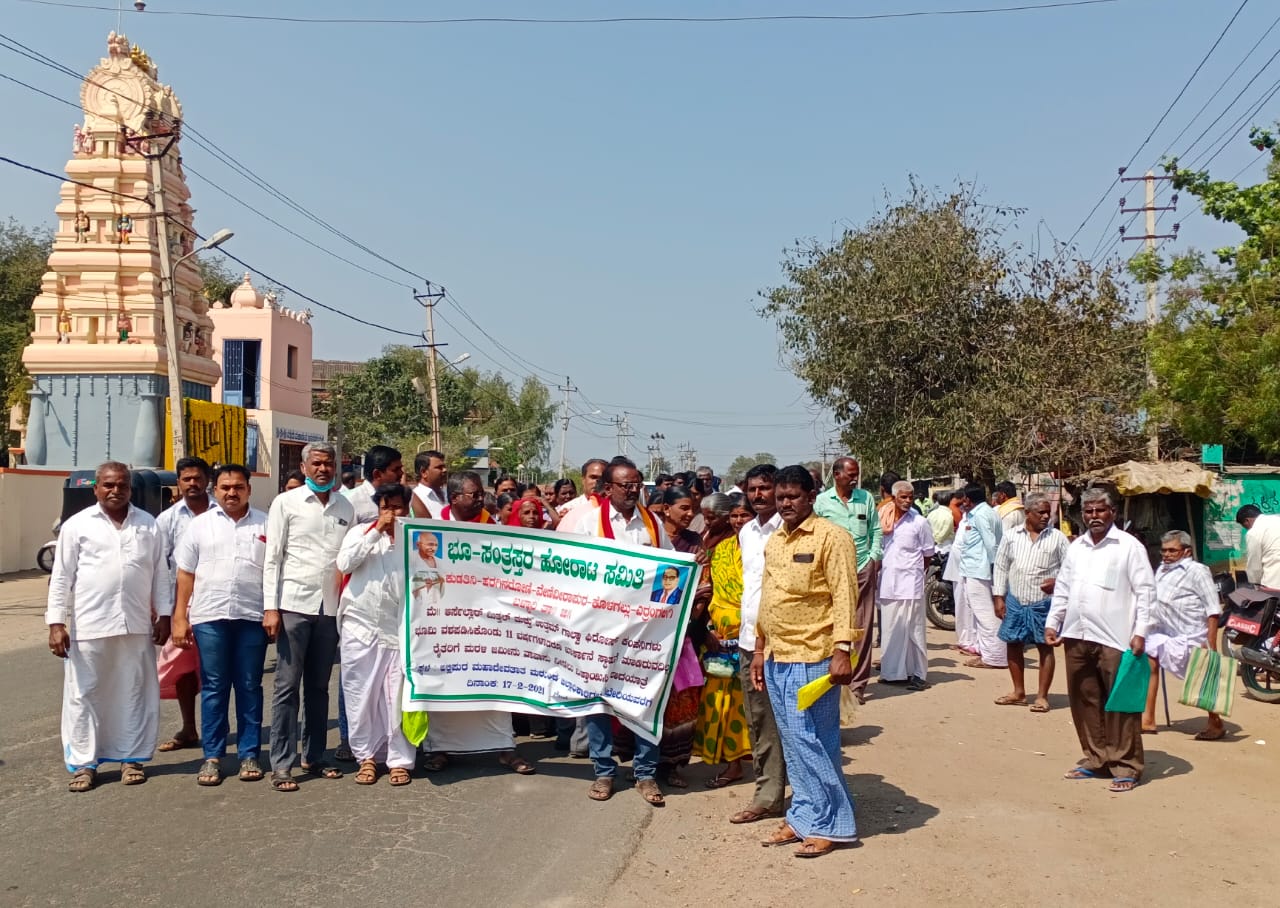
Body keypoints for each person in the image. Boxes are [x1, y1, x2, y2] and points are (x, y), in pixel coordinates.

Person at [755, 465, 859, 858]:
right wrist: (760, 649)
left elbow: (845, 596)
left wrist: (842, 650)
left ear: (811, 496)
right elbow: (767, 598)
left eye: (792, 497)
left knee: (814, 740)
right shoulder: (775, 540)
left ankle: (832, 822)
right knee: (794, 743)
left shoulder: (833, 538)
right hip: (778, 654)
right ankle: (802, 816)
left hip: (815, 655)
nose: (785, 504)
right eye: (780, 497)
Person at [46, 462, 167, 791]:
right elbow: (61, 579)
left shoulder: (148, 525)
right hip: (90, 626)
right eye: (109, 485)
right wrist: (56, 623)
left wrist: (166, 616)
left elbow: (161, 576)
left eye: (123, 485)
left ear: (131, 488)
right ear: (96, 489)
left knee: (135, 692)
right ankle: (85, 763)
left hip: (137, 624)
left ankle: (132, 758)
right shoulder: (77, 526)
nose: (116, 491)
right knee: (85, 695)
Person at [422, 471, 535, 775]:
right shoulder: (432, 524)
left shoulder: (492, 527)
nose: (480, 499)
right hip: (446, 621)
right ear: (455, 497)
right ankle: (439, 749)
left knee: (495, 685)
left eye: (481, 494)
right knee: (445, 684)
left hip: (487, 622)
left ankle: (504, 748)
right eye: (474, 495)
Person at [574, 458, 671, 805]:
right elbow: (575, 573)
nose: (632, 491)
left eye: (637, 485)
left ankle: (646, 773)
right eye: (625, 485)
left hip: (645, 631)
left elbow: (670, 569)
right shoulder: (588, 524)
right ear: (608, 489)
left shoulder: (653, 523)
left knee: (645, 697)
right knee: (599, 700)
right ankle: (604, 770)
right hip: (601, 629)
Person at [1047, 488, 1154, 793]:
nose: (1094, 516)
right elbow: (1064, 588)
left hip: (1115, 637)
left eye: (1100, 511)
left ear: (1113, 513)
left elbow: (1146, 591)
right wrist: (1053, 622)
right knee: (1084, 700)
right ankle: (1097, 759)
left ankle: (1127, 766)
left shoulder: (1128, 547)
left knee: (1119, 702)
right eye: (1089, 511)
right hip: (1077, 634)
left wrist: (1141, 631)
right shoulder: (1077, 547)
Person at [169, 464, 269, 786]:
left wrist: (272, 611)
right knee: (214, 687)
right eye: (225, 487)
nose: (231, 492)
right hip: (209, 617)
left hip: (251, 616)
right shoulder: (199, 526)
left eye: (238, 487)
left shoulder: (266, 523)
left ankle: (249, 753)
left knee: (249, 686)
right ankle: (212, 756)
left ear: (249, 490)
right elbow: (185, 573)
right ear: (216, 490)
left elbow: (274, 571)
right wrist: (179, 617)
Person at [263, 441, 355, 792]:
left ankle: (314, 756)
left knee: (318, 687)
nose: (323, 469)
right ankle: (282, 763)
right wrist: (271, 608)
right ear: (304, 468)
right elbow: (273, 558)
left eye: (328, 464)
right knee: (286, 686)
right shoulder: (285, 503)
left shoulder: (344, 506)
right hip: (293, 606)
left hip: (330, 608)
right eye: (316, 464)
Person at [337, 483, 417, 786]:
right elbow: (344, 564)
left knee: (397, 696)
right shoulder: (360, 533)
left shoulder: (417, 539)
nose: (391, 513)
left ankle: (399, 760)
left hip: (401, 626)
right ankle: (367, 757)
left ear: (406, 508)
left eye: (397, 507)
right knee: (361, 694)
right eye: (385, 507)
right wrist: (376, 532)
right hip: (361, 624)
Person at [729, 463, 787, 825]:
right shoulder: (747, 532)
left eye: (765, 488)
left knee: (795, 721)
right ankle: (768, 795)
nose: (758, 495)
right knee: (760, 720)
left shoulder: (792, 529)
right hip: (750, 639)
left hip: (788, 641)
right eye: (752, 489)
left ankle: (806, 796)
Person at [153, 455, 212, 755]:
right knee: (183, 666)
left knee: (219, 668)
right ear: (178, 482)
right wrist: (165, 613)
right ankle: (189, 728)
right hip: (183, 604)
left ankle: (222, 734)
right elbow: (161, 568)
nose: (192, 483)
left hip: (219, 602)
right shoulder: (168, 520)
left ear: (207, 480)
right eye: (186, 478)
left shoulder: (223, 512)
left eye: (197, 478)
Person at [1142, 531, 1226, 740]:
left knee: (1203, 678)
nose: (1166, 554)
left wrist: (1212, 643)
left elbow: (1212, 609)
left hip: (1193, 635)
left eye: (1172, 550)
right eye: (1164, 550)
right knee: (1149, 663)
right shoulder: (1161, 569)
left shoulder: (1198, 571)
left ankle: (1215, 722)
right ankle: (1148, 719)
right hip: (1165, 633)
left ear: (1186, 551)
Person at [992, 493, 1069, 713]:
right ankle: (1018, 691)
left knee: (1045, 647)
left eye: (1048, 512)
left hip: (1044, 603)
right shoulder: (1011, 536)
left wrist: (1058, 582)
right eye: (1041, 512)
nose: (1046, 516)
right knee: (1013, 643)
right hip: (1016, 599)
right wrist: (999, 597)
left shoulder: (1057, 538)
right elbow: (1001, 566)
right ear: (1027, 513)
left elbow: (1071, 568)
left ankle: (1042, 696)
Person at [813, 456, 882, 705]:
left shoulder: (866, 498)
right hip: (831, 574)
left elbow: (876, 530)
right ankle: (832, 682)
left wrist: (874, 558)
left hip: (862, 569)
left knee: (861, 629)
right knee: (833, 627)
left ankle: (858, 685)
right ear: (837, 475)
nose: (855, 478)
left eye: (857, 474)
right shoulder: (821, 502)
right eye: (850, 474)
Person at [695, 493, 752, 788]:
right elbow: (709, 588)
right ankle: (732, 764)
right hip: (721, 637)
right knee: (723, 703)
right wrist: (708, 628)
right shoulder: (720, 550)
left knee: (751, 704)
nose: (739, 521)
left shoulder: (766, 548)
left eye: (745, 515)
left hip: (755, 636)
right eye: (735, 516)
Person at [878, 481, 935, 691]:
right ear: (893, 498)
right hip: (888, 582)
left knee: (914, 631)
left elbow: (928, 553)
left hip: (910, 583)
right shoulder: (882, 519)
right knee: (891, 629)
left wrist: (917, 572)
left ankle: (919, 674)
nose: (907, 501)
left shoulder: (919, 522)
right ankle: (893, 673)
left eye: (910, 497)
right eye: (903, 497)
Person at [955, 484, 1006, 670]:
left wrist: (995, 570)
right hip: (979, 569)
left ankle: (994, 657)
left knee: (985, 615)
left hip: (980, 570)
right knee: (984, 614)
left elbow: (991, 544)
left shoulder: (981, 515)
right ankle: (989, 653)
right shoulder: (989, 512)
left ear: (968, 499)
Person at [343, 445, 404, 524]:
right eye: (396, 470)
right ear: (377, 474)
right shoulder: (349, 501)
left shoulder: (401, 498)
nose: (401, 473)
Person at [1237, 504, 1280, 589]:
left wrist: (1255, 583)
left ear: (1247, 521)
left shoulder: (1254, 532)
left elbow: (1254, 566)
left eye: (1245, 527)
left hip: (1274, 585)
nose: (1247, 529)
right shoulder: (1277, 519)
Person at [410, 449, 448, 519]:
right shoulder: (414, 498)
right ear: (424, 472)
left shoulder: (449, 494)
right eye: (439, 467)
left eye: (444, 467)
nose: (445, 470)